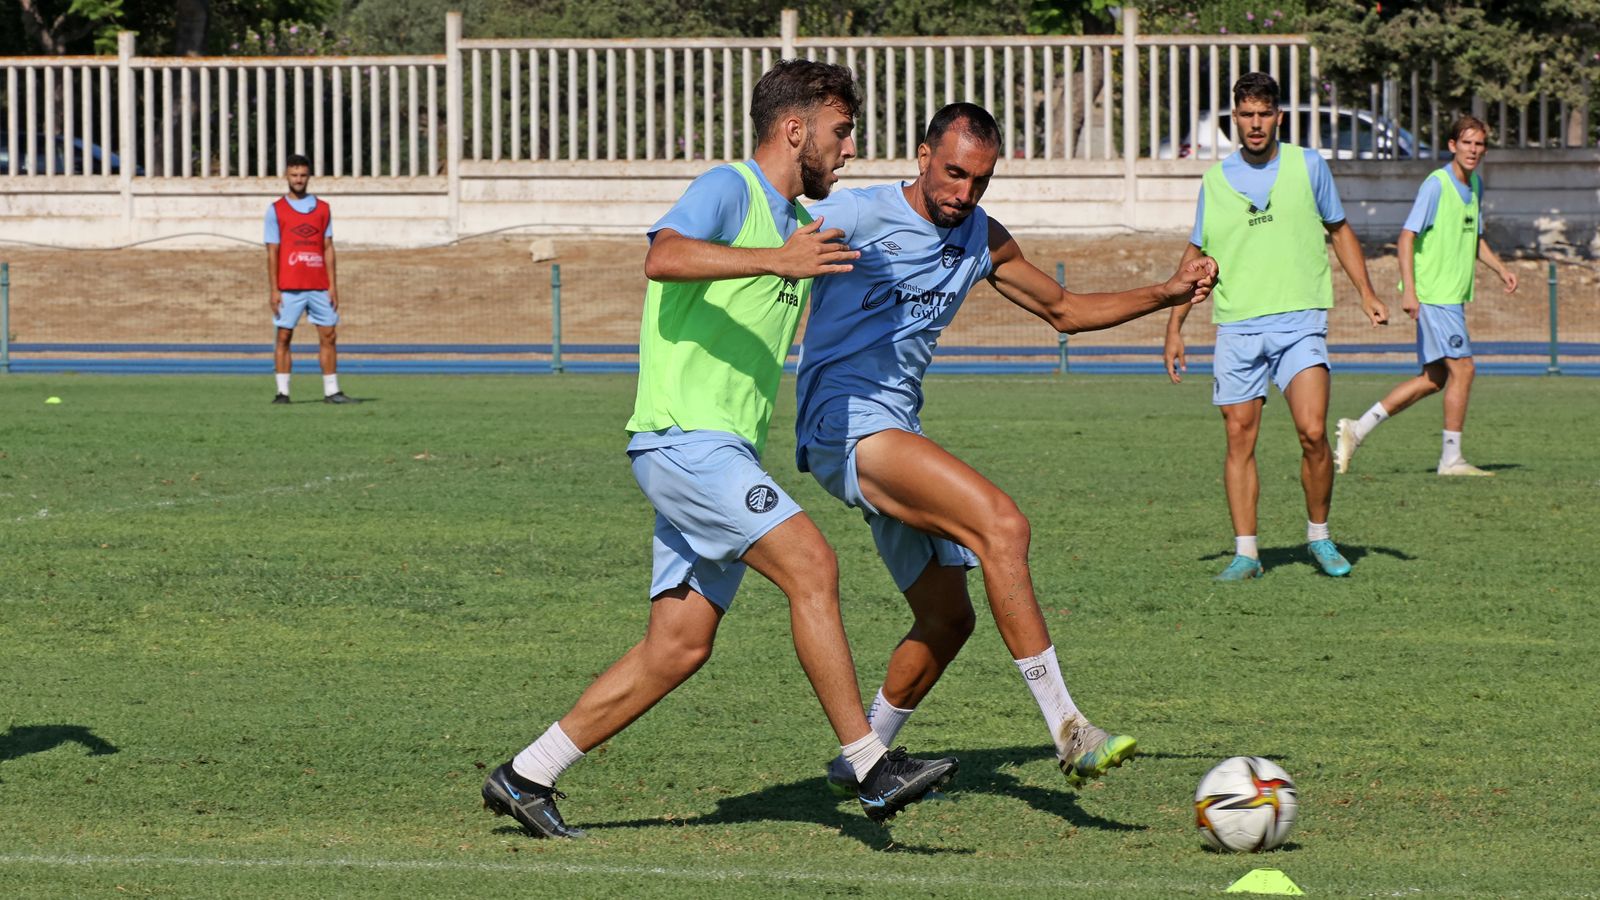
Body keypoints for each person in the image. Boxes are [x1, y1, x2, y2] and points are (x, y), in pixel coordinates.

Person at [481, 61, 957, 840]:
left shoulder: (799, 227)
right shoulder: (730, 187)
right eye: (840, 133)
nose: (848, 151)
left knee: (679, 645)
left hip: (717, 452)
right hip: (684, 441)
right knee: (812, 564)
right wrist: (777, 260)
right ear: (795, 130)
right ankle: (871, 766)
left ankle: (527, 773)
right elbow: (662, 255)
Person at [794, 102, 1218, 795]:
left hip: (898, 428)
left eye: (980, 181)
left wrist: (1166, 292)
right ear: (923, 154)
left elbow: (1065, 312)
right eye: (954, 173)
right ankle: (1070, 729)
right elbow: (771, 262)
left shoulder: (982, 238)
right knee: (1003, 524)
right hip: (844, 427)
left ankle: (860, 760)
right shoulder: (860, 215)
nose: (964, 194)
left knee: (947, 619)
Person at [1163, 72, 1389, 582]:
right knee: (1239, 440)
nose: (1256, 123)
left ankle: (1319, 538)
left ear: (1278, 117)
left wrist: (1367, 292)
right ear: (1235, 119)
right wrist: (1175, 325)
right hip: (1238, 327)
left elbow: (1340, 230)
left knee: (1312, 433)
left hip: (1300, 323)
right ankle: (1247, 553)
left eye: (1265, 114)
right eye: (1247, 115)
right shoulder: (1215, 181)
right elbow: (1196, 254)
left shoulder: (1309, 166)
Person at [1335, 115, 1518, 477]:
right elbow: (1407, 236)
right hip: (1436, 295)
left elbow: (1474, 237)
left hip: (1450, 296)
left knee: (1434, 379)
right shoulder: (1436, 184)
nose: (1474, 150)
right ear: (1452, 146)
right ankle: (1451, 459)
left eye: (1479, 144)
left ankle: (1357, 429)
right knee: (1464, 369)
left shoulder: (1476, 186)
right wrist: (1411, 292)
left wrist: (1500, 269)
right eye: (1467, 143)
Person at [265, 154, 357, 404]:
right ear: (287, 176)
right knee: (283, 336)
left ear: (309, 177)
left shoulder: (323, 209)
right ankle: (282, 393)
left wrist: (333, 286)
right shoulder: (276, 210)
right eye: (294, 175)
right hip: (289, 286)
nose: (298, 179)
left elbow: (328, 248)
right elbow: (272, 252)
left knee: (329, 335)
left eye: (303, 175)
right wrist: (274, 289)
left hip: (318, 285)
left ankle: (332, 391)